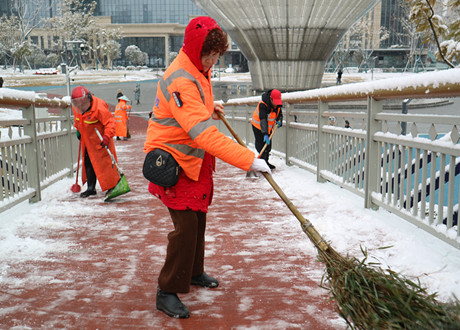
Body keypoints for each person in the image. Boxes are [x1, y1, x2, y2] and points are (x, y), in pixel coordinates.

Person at [143, 16, 271, 319]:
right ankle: (167, 290)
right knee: (185, 227)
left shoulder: (197, 69)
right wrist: (247, 159)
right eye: (209, 55)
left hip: (193, 160)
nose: (213, 61)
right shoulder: (181, 78)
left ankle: (194, 272)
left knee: (198, 219)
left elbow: (192, 109)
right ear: (194, 48)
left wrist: (208, 108)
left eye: (216, 55)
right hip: (173, 162)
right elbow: (202, 132)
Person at [71, 85, 120, 198]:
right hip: (88, 142)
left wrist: (107, 136)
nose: (81, 107)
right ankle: (91, 188)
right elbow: (78, 121)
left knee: (106, 164)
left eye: (82, 104)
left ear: (88, 99)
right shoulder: (78, 108)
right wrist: (78, 130)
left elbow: (110, 122)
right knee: (89, 163)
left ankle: (112, 186)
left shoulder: (99, 107)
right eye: (78, 105)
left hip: (101, 141)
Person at [251, 89, 283, 170]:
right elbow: (263, 119)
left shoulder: (277, 105)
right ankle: (262, 162)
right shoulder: (263, 105)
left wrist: (279, 121)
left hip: (268, 128)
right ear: (271, 99)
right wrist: (265, 134)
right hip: (258, 126)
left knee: (268, 147)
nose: (276, 104)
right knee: (261, 145)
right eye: (275, 102)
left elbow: (280, 115)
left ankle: (265, 162)